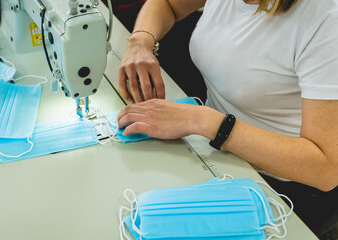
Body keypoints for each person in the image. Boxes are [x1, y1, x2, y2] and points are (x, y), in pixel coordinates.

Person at [116, 0, 338, 238]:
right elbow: (168, 4)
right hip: (214, 152)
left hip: (283, 188)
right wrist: (140, 41)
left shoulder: (327, 20)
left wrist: (205, 122)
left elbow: (326, 169)